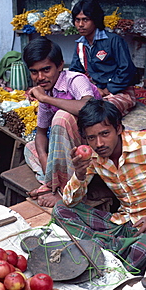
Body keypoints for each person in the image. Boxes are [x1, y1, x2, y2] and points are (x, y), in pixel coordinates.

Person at [52, 99, 146, 274]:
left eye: (104, 133)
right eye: (91, 138)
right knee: (60, 209)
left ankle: (101, 248)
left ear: (118, 129)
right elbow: (69, 202)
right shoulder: (93, 157)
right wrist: (79, 175)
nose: (99, 143)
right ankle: (114, 249)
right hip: (123, 224)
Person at [23, 36, 102, 207]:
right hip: (68, 150)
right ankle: (52, 183)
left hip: (94, 148)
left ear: (60, 65)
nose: (40, 77)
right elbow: (41, 133)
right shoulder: (47, 91)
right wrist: (46, 164)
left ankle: (64, 192)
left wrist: (45, 99)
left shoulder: (75, 79)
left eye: (46, 70)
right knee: (30, 148)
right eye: (34, 72)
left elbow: (88, 106)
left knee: (61, 118)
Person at [70, 0, 137, 116]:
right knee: (70, 107)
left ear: (95, 20)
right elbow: (75, 72)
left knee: (102, 112)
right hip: (93, 91)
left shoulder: (113, 41)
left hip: (118, 92)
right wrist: (92, 89)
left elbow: (126, 69)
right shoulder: (80, 45)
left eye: (85, 20)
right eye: (77, 20)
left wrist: (108, 90)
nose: (80, 25)